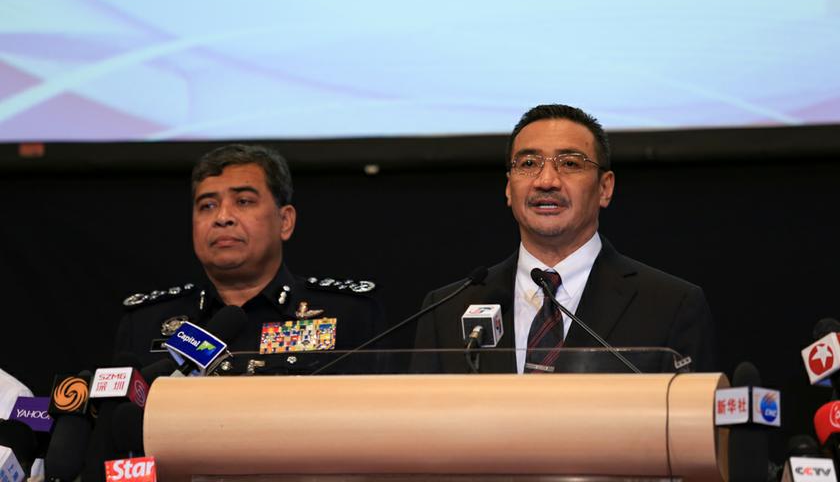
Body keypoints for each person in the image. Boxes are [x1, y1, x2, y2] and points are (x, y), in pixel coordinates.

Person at [413, 105, 716, 373]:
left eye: (570, 163)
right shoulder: (447, 310)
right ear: (508, 188)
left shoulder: (669, 305)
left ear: (605, 188)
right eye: (528, 164)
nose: (546, 181)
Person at [115, 144, 384, 374]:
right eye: (207, 205)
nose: (222, 217)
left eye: (243, 201)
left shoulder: (348, 314)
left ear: (285, 221)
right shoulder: (145, 323)